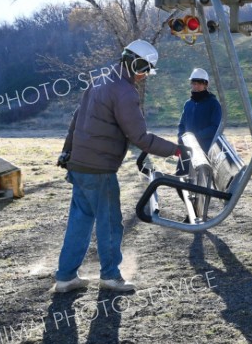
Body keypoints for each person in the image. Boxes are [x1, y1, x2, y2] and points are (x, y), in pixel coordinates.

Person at [55, 39, 189, 293]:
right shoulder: (125, 92)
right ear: (136, 63)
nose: (145, 75)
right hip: (99, 169)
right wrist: (175, 150)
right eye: (145, 69)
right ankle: (110, 276)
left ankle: (65, 277)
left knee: (80, 221)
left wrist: (67, 151)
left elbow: (76, 119)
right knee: (110, 223)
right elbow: (139, 137)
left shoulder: (99, 82)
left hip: (79, 165)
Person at [176, 68, 222, 174]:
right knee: (181, 177)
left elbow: (215, 127)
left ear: (206, 85)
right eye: (194, 83)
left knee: (201, 182)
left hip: (204, 150)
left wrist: (195, 137)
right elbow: (182, 124)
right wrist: (180, 137)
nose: (196, 86)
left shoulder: (213, 104)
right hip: (187, 149)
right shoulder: (188, 104)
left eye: (199, 84)